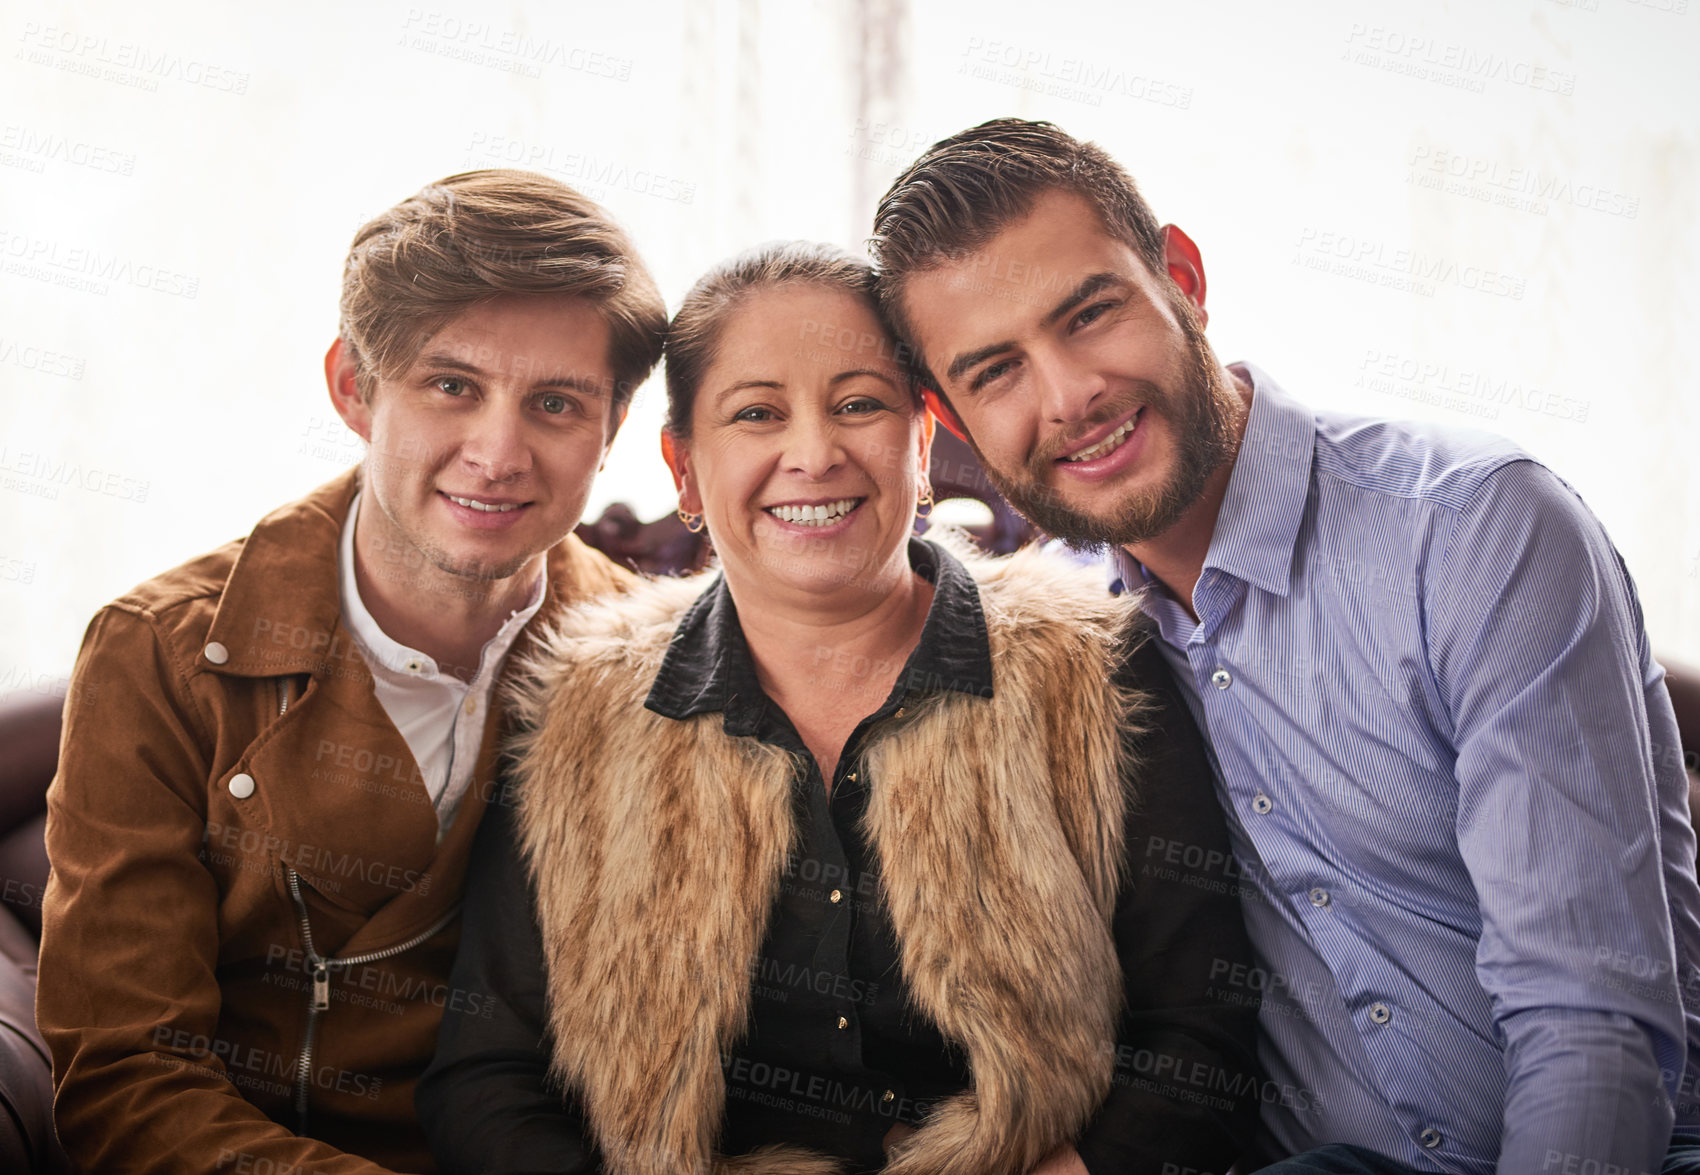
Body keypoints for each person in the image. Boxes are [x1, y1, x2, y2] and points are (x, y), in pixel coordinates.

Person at [867, 117, 1700, 1175]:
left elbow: (1589, 1018)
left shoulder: (1471, 529)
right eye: (996, 372)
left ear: (1181, 278)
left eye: (1089, 312)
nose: (1067, 394)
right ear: (950, 417)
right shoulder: (1064, 655)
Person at [417, 241, 1264, 1175]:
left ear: (921, 441)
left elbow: (1202, 1039)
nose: (813, 455)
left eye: (858, 404)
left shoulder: (1095, 668)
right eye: (757, 414)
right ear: (686, 470)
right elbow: (485, 1079)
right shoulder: (577, 708)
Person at [38, 169, 667, 1173]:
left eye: (554, 402)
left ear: (611, 428)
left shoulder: (660, 664)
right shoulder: (157, 651)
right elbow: (125, 1075)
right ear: (354, 389)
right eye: (451, 385)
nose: (497, 452)